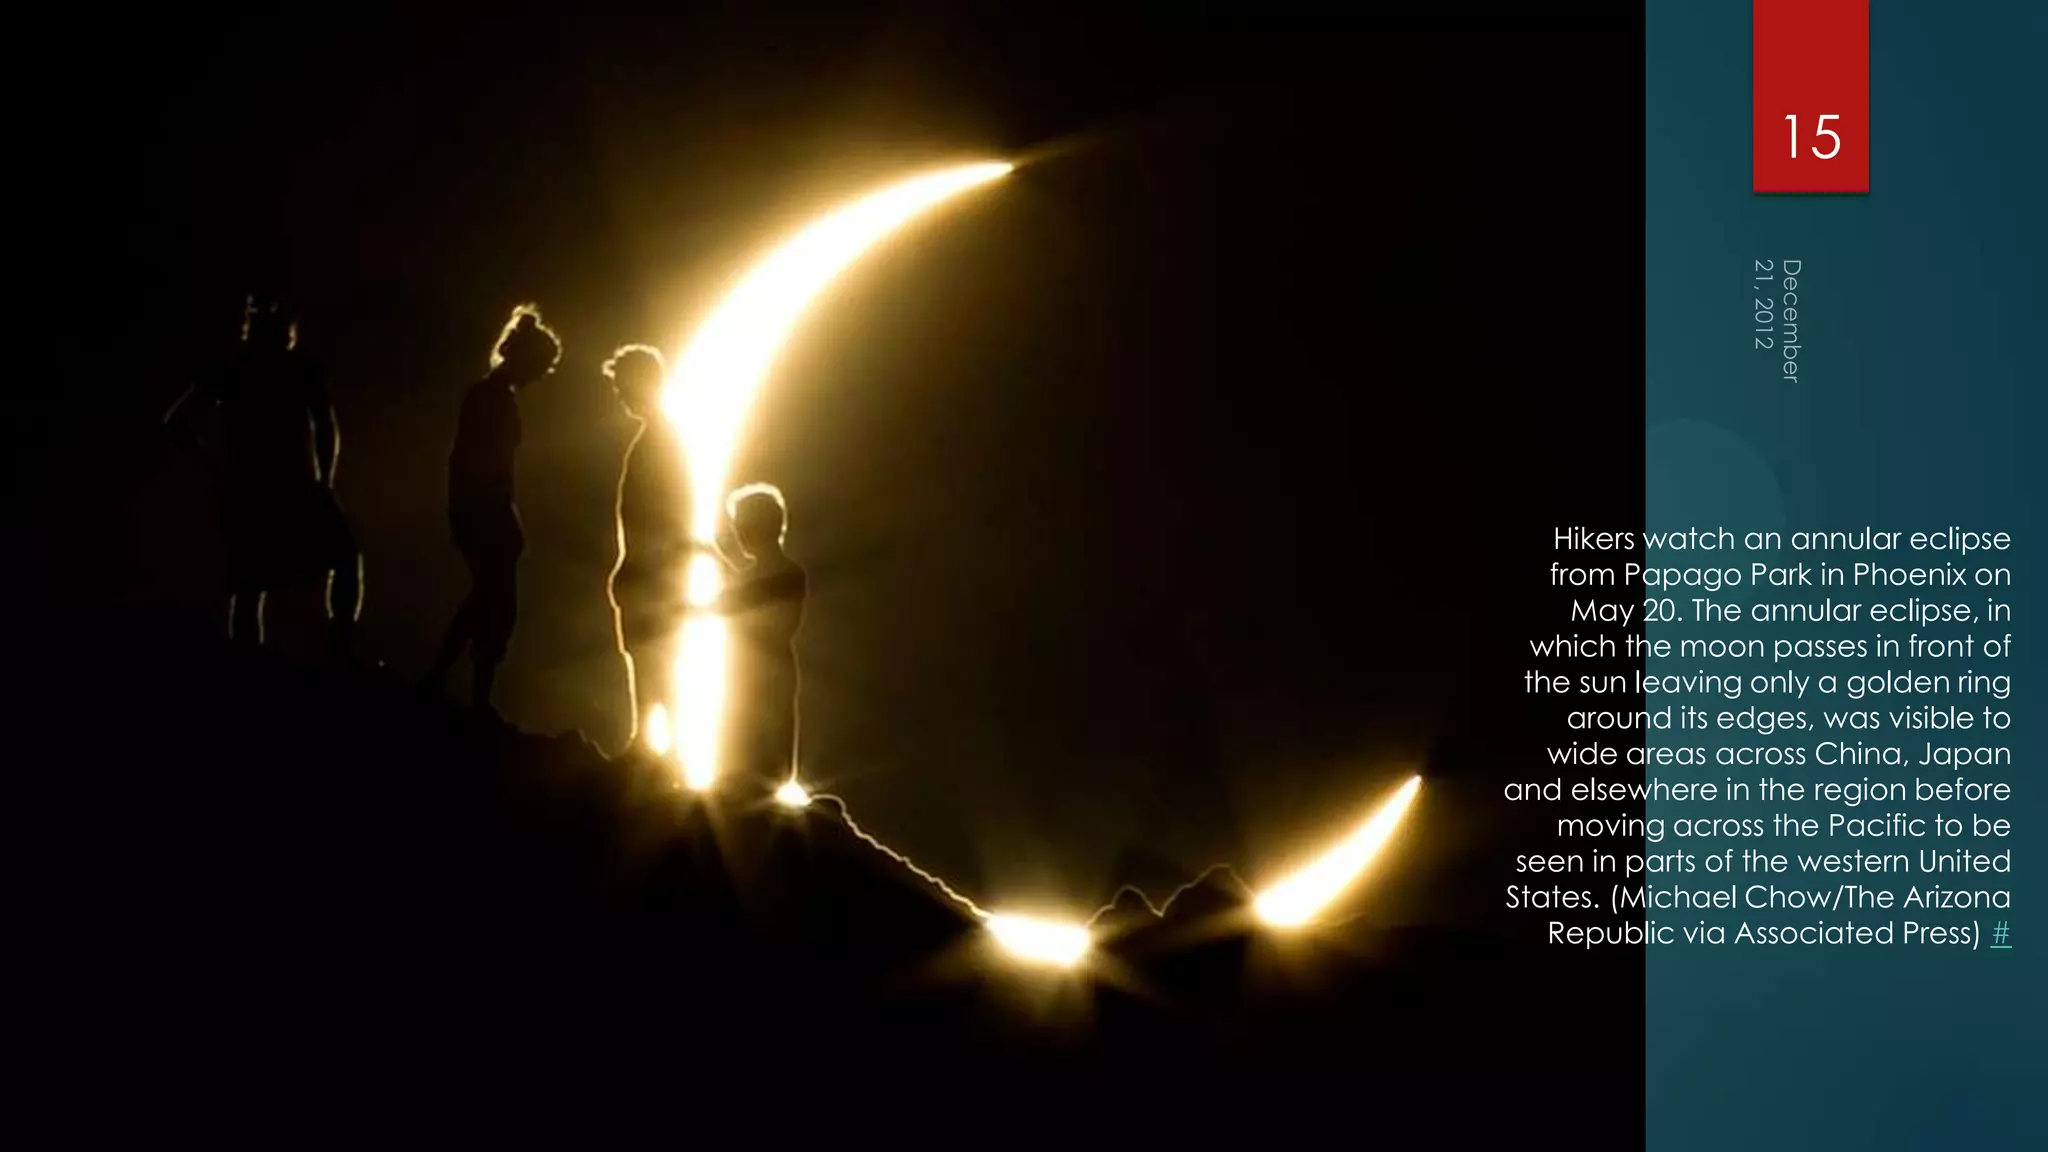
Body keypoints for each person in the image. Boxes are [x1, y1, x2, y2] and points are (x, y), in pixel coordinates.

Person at [163, 293, 363, 661]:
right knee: (338, 558)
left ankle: (253, 665)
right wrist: (323, 482)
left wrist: (215, 468)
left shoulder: (233, 368)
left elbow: (178, 423)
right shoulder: (297, 369)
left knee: (250, 583)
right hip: (289, 486)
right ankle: (339, 649)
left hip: (249, 488)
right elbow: (324, 427)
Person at [424, 304, 561, 713]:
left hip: (486, 514)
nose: (540, 377)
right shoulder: (490, 399)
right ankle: (461, 689)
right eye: (542, 367)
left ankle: (457, 685)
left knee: (491, 602)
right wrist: (490, 514)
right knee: (494, 604)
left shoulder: (491, 396)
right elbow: (475, 463)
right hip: (484, 514)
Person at [604, 344, 691, 751]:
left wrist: (650, 570)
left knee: (657, 659)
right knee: (649, 658)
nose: (621, 397)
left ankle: (660, 749)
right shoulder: (659, 440)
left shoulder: (661, 443)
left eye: (624, 387)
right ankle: (649, 744)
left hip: (654, 577)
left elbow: (668, 515)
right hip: (648, 574)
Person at [696, 484, 807, 794]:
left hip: (762, 683)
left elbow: (762, 616)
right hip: (749, 681)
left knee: (758, 767)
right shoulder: (771, 574)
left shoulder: (786, 575)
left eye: (742, 525)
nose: (738, 533)